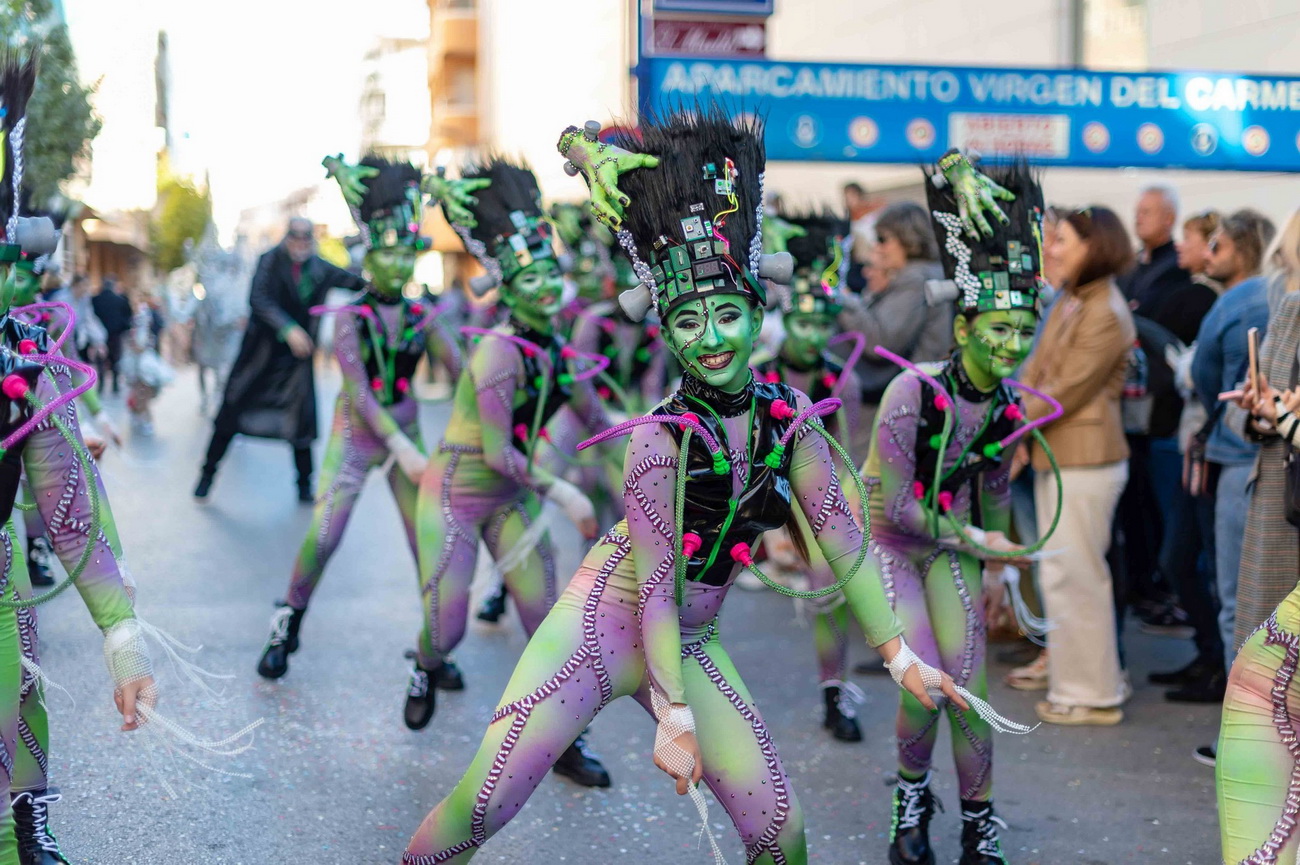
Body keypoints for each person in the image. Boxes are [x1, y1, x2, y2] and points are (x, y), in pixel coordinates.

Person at [400, 106, 974, 865]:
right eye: (688, 320)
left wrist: (900, 657)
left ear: (758, 313)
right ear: (667, 330)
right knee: (484, 803)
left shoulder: (790, 421)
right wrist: (672, 713)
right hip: (604, 626)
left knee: (781, 833)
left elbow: (844, 541)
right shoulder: (658, 439)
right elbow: (657, 588)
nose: (711, 337)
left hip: (692, 639)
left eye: (727, 313)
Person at [407, 155, 616, 788]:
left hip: (511, 499)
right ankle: (426, 663)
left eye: (550, 271)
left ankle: (567, 742)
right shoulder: (498, 351)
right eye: (531, 277)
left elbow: (600, 417)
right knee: (448, 626)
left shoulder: (557, 348)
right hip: (457, 494)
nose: (547, 286)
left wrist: (667, 432)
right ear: (506, 288)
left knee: (548, 623)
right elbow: (498, 453)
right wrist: (567, 494)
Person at [868, 153, 1044, 865]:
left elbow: (995, 489)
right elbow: (898, 506)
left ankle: (979, 820)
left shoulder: (1008, 406)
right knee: (922, 686)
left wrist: (999, 568)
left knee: (969, 686)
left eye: (1024, 329)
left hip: (951, 550)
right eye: (998, 328)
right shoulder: (910, 393)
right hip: (892, 546)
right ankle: (909, 802)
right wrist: (977, 537)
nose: (1012, 345)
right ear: (964, 327)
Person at [255, 153, 471, 683]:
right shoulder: (350, 317)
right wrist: (404, 449)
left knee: (426, 540)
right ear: (369, 255)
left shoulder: (424, 315)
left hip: (407, 435)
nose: (398, 264)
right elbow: (358, 393)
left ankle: (435, 647)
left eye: (407, 254)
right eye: (388, 253)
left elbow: (464, 374)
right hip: (357, 435)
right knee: (325, 534)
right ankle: (287, 622)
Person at [1016, 206, 1136, 726]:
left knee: (1076, 576)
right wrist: (1016, 420)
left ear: (1094, 245)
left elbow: (1061, 392)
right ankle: (1080, 680)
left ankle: (1093, 694)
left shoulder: (1104, 310)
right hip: (1062, 455)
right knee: (1061, 571)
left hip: (1086, 461)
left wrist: (1007, 427)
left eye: (1061, 239)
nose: (1051, 248)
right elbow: (1036, 371)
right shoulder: (1073, 298)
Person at [753, 209, 867, 742]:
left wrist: (838, 521)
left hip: (815, 495)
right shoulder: (755, 376)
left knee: (828, 590)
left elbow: (847, 460)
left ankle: (833, 694)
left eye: (823, 325)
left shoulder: (843, 383)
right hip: (752, 494)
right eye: (803, 323)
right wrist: (770, 525)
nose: (813, 335)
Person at [194, 218, 366, 502]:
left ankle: (304, 485)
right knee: (230, 414)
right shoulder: (270, 260)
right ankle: (206, 475)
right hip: (259, 357)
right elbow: (258, 298)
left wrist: (369, 258)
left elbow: (355, 282)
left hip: (296, 364)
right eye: (295, 237)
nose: (300, 243)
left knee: (301, 425)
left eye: (306, 238)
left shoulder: (320, 267)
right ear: (286, 238)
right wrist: (288, 329)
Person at [1217, 296, 1300, 859]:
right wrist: (1259, 408)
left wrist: (1289, 417)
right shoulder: (1291, 308)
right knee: (1262, 689)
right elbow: (1241, 407)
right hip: (1281, 508)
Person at [1191, 209, 1278, 673]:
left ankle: (1242, 715)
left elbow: (1206, 378)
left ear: (1244, 249)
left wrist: (1231, 414)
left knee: (1239, 604)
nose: (1208, 254)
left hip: (1243, 458)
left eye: (1217, 245)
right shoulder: (1275, 296)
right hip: (1272, 458)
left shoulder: (1241, 301)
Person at [1147, 209, 1227, 704]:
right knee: (1182, 558)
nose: (1182, 245)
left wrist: (1183, 367)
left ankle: (1219, 664)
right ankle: (1210, 655)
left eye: (1194, 238)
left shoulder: (1214, 300)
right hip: (1191, 446)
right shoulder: (1208, 298)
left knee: (1199, 563)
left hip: (1207, 453)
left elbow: (1203, 377)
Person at [836, 201, 951, 461]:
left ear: (908, 238)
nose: (877, 247)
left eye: (883, 239)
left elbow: (881, 340)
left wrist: (843, 300)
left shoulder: (916, 277)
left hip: (911, 397)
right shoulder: (928, 273)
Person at [89, 275, 130, 395]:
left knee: (100, 360)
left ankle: (101, 384)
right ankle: (115, 384)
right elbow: (127, 318)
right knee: (115, 359)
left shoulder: (95, 300)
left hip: (98, 335)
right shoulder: (120, 300)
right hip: (115, 334)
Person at [842, 181, 878, 294]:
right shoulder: (848, 220)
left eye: (850, 196)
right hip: (854, 265)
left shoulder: (870, 218)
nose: (847, 201)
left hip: (868, 263)